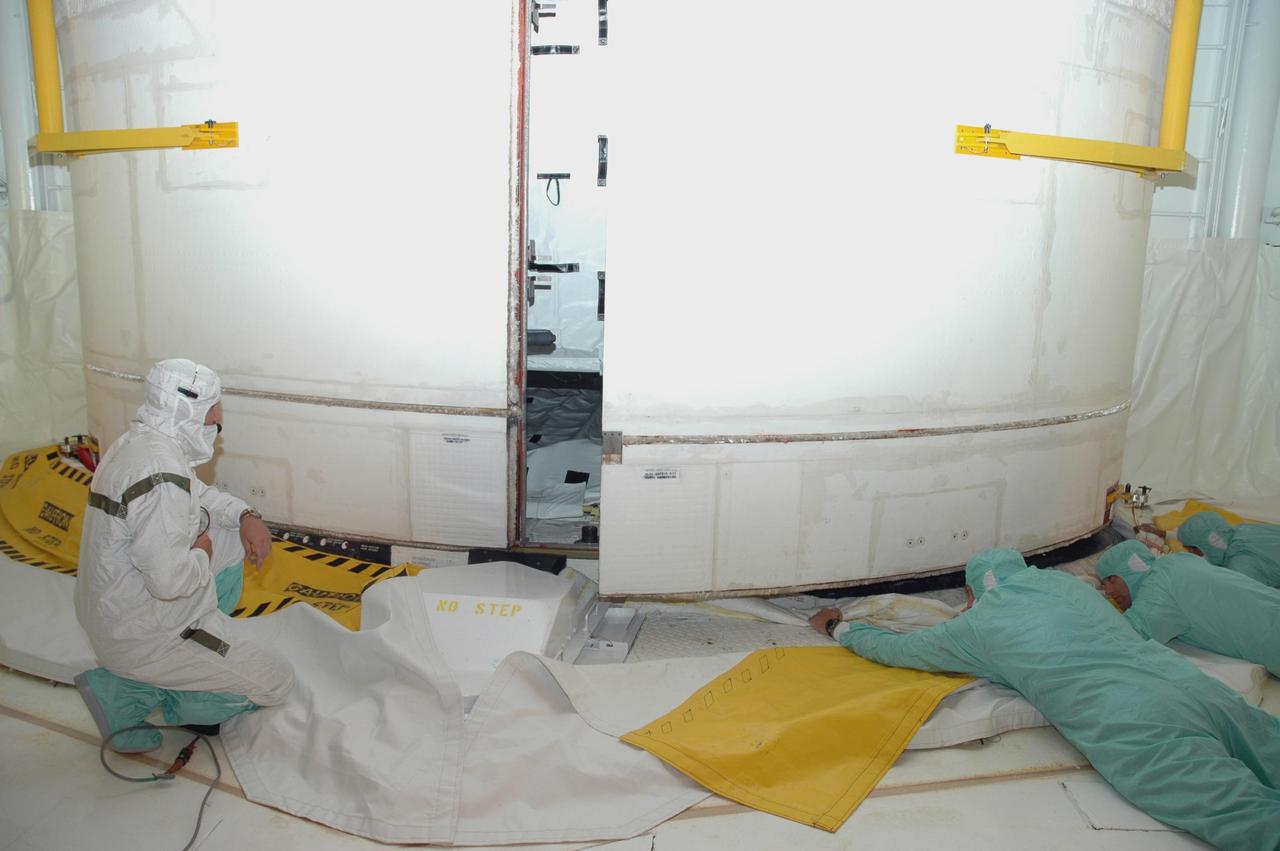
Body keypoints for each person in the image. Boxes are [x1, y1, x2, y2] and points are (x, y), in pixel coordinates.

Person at [808, 549, 1280, 851]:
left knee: (1242, 814)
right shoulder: (1070, 590)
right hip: (1193, 686)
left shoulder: (976, 627)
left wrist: (841, 626)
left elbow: (898, 650)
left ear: (975, 590)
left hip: (1136, 719)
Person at [74, 359, 294, 753]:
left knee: (225, 528)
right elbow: (170, 582)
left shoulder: (141, 446)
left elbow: (199, 495)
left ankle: (197, 645)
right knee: (276, 681)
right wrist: (199, 551)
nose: (218, 418)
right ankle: (130, 695)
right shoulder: (161, 478)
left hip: (119, 616)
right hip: (149, 636)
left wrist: (246, 515)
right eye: (213, 408)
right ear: (186, 409)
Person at [1096, 539, 1280, 677]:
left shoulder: (1157, 589)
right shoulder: (1178, 560)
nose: (1108, 591)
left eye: (1111, 579)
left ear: (1133, 568)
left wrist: (1088, 600)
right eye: (1103, 585)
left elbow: (1125, 637)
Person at [1176, 511, 1280, 589]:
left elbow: (1263, 604)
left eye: (1193, 551)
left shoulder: (1240, 567)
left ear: (1205, 546)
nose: (1191, 554)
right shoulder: (1244, 529)